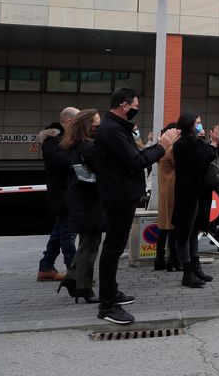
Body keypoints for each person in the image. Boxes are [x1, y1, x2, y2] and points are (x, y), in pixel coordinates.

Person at [93, 87, 180, 324]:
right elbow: (135, 161)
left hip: (122, 193)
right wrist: (161, 146)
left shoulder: (117, 128)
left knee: (115, 245)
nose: (136, 109)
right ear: (124, 105)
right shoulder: (112, 130)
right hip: (118, 196)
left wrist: (157, 147)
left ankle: (111, 293)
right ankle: (107, 305)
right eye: (135, 105)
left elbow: (135, 155)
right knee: (113, 248)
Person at [173, 112, 219, 288]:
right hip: (187, 193)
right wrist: (215, 144)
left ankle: (196, 267)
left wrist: (218, 143)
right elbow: (203, 159)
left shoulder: (195, 142)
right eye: (198, 123)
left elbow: (207, 155)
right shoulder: (183, 145)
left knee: (195, 230)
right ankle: (187, 272)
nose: (201, 126)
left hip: (199, 192)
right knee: (185, 233)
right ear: (189, 125)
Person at [60, 109, 103, 303]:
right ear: (88, 125)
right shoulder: (88, 147)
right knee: (90, 245)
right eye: (96, 122)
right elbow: (103, 168)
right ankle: (83, 287)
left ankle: (72, 279)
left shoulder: (76, 145)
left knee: (87, 242)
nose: (99, 126)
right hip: (88, 200)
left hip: (81, 199)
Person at [37, 106, 79, 282]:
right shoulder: (53, 141)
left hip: (67, 193)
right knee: (67, 234)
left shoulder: (66, 139)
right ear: (69, 121)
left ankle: (46, 267)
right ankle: (75, 273)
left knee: (58, 232)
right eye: (78, 121)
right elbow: (64, 163)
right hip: (63, 195)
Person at [155, 123, 180, 272]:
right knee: (172, 227)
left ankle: (159, 259)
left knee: (164, 228)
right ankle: (173, 260)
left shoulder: (162, 149)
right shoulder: (170, 150)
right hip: (172, 190)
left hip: (165, 190)